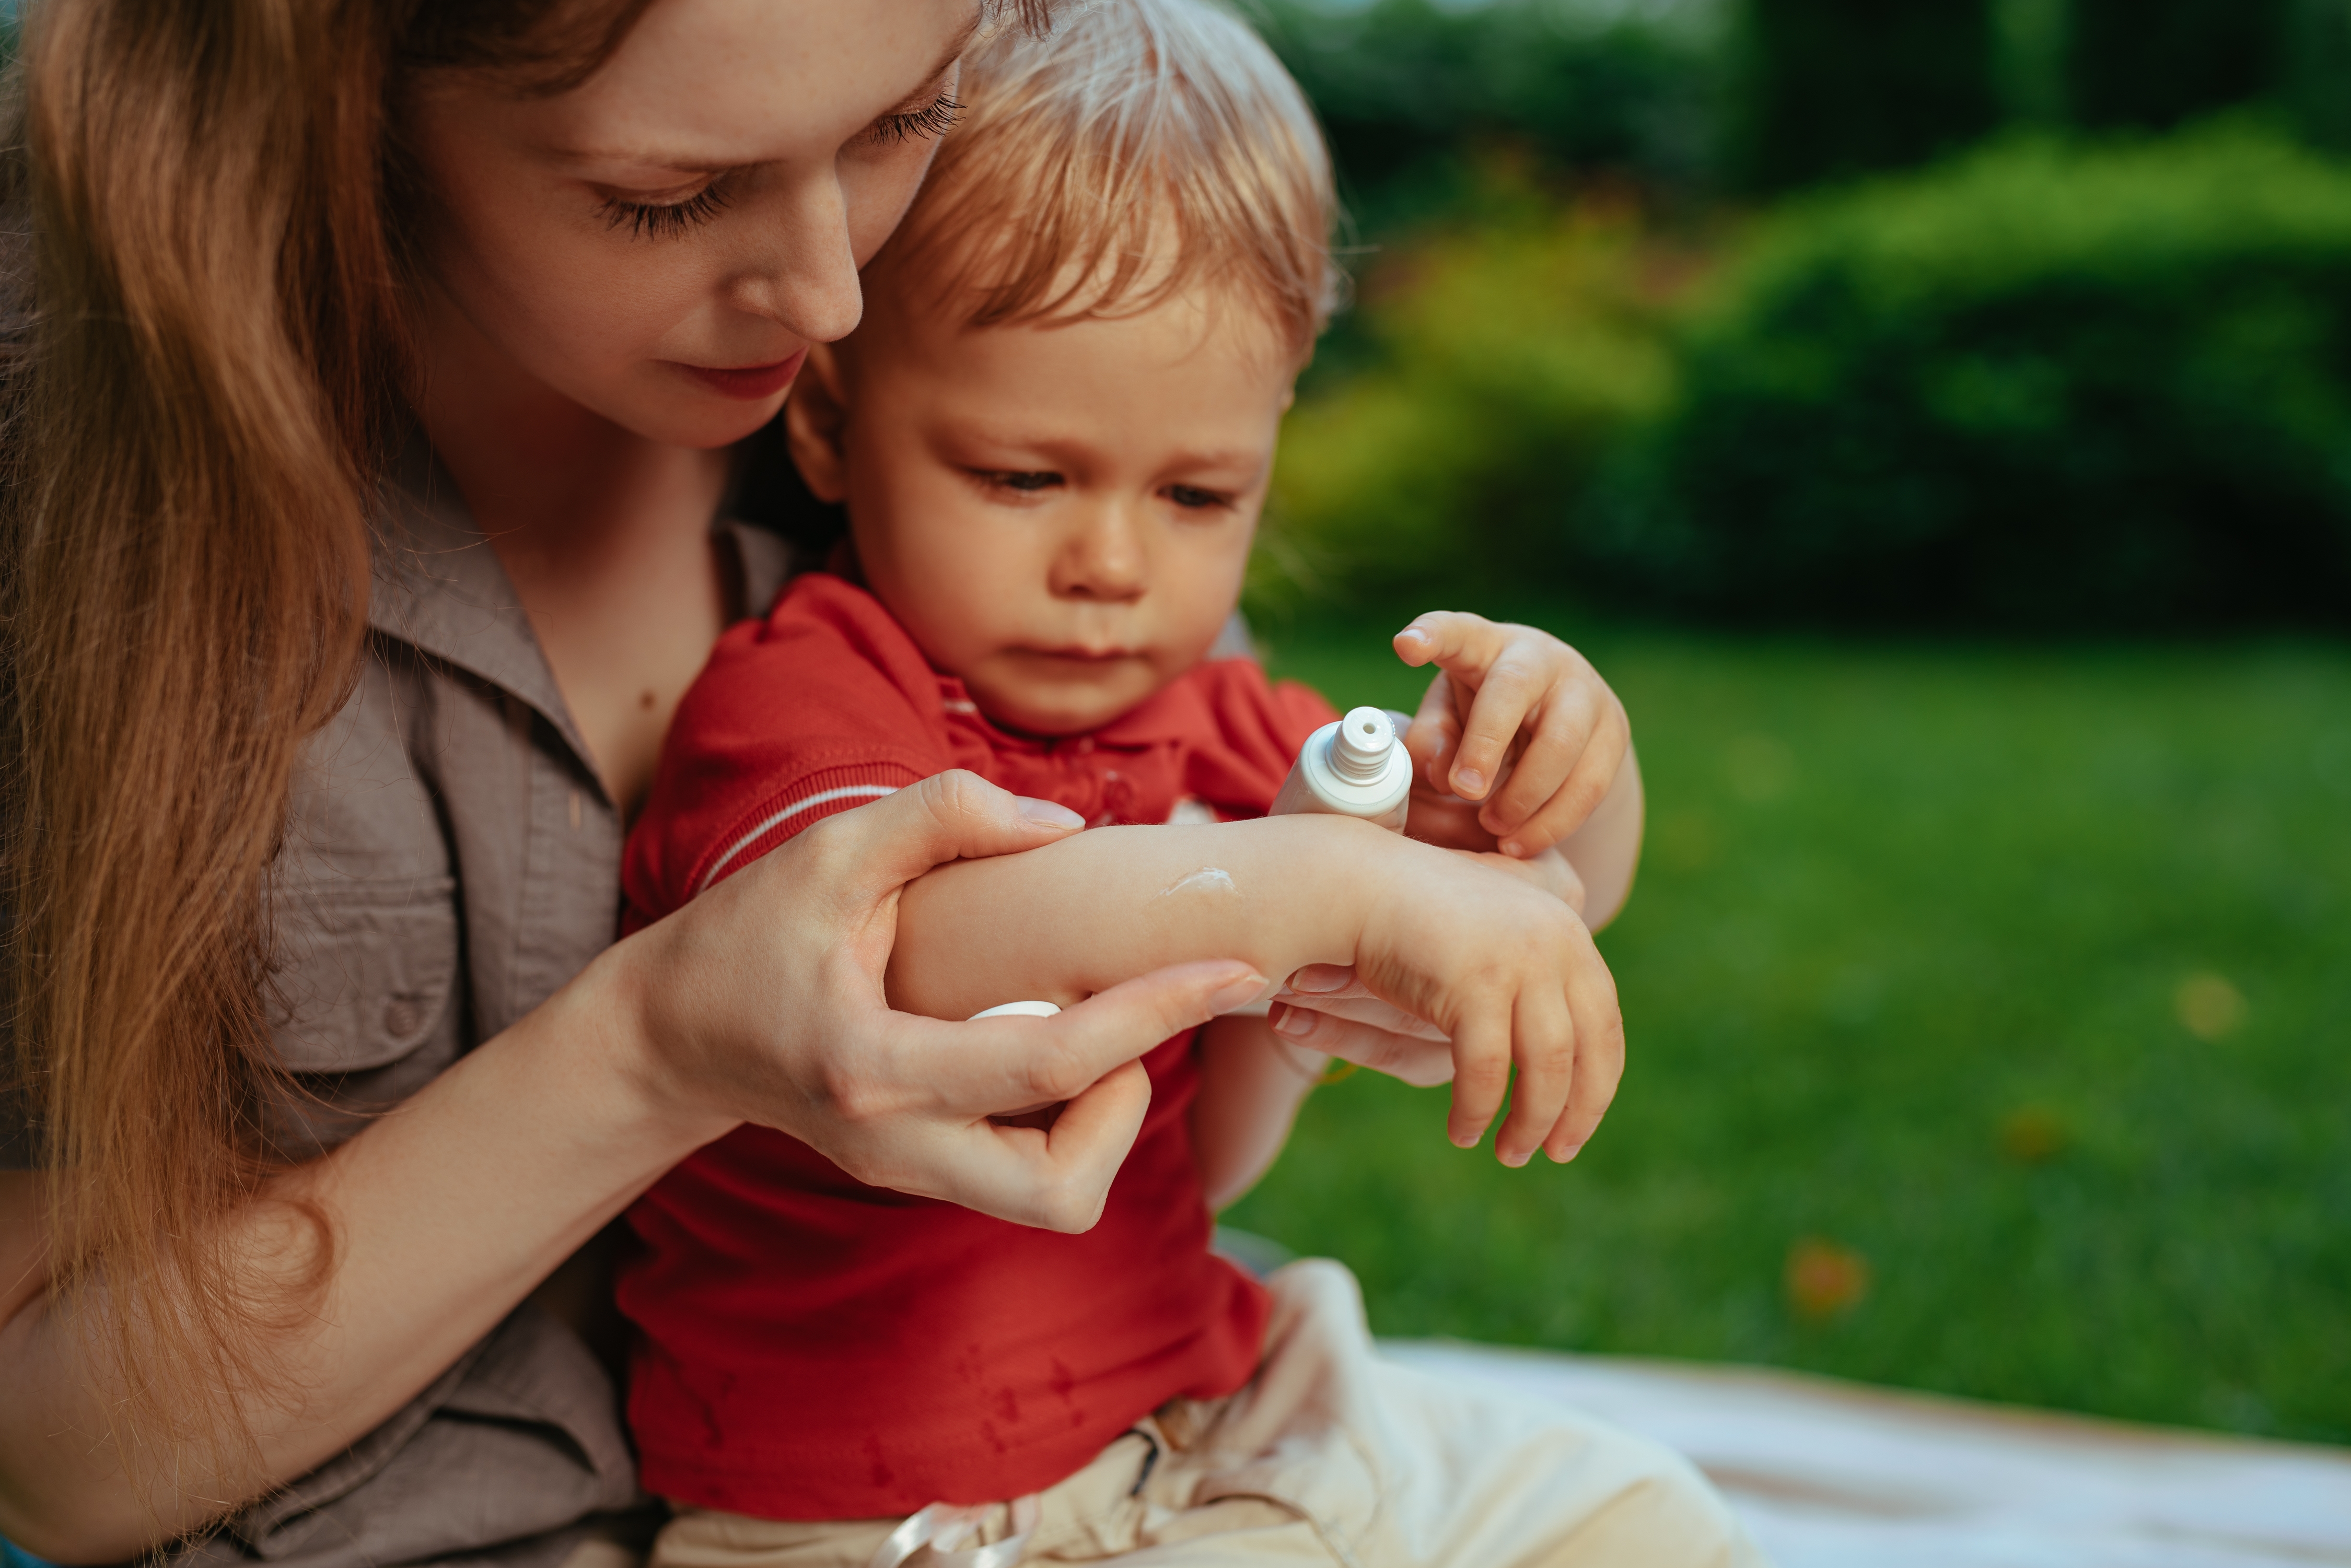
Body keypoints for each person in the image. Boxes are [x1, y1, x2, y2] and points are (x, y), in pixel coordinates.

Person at [0, 3, 1438, 1564]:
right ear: (344, 104)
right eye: (665, 195)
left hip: (1059, 1471)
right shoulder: (65, 485)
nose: (830, 293)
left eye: (902, 118)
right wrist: (652, 1047)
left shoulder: (990, 284)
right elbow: (55, 1466)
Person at [615, 5, 1759, 1563]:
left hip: (1199, 1418)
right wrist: (1320, 884)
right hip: (887, 1516)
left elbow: (1557, 889)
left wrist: (1556, 775)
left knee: (1638, 1515)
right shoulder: (806, 691)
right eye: (1023, 476)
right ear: (829, 419)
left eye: (1197, 492)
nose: (1110, 564)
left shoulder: (1209, 714)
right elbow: (874, 953)